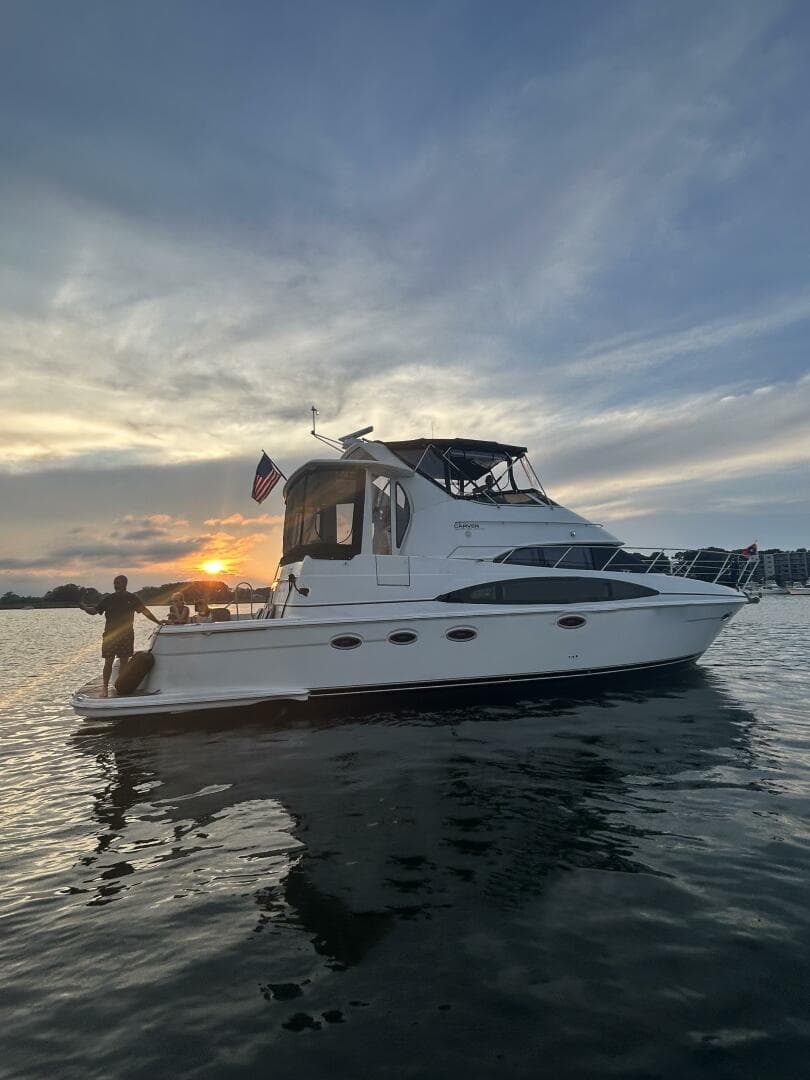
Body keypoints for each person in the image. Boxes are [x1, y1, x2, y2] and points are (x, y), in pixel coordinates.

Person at [80, 575, 163, 697]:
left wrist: (158, 622)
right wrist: (84, 608)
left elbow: (145, 611)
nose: (116, 585)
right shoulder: (109, 598)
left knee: (124, 661)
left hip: (127, 634)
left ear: (125, 584)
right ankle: (105, 688)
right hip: (110, 635)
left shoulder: (132, 598)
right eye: (115, 583)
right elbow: (94, 611)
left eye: (118, 583)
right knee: (108, 661)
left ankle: (121, 687)